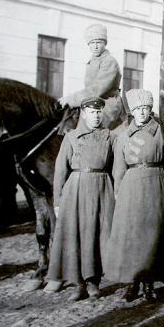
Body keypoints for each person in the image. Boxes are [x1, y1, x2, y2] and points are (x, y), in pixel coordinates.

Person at [104, 89, 164, 302]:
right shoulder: (122, 135)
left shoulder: (162, 131)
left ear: (150, 110)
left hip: (155, 183)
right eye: (138, 109)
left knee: (151, 234)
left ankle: (150, 281)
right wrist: (118, 192)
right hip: (131, 187)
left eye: (145, 108)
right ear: (132, 111)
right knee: (132, 235)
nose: (142, 113)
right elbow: (118, 168)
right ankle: (133, 282)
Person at [44, 96, 115, 301]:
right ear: (84, 114)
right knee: (76, 235)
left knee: (96, 235)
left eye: (99, 112)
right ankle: (78, 284)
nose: (96, 116)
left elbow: (114, 165)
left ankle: (94, 282)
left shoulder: (109, 137)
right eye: (92, 112)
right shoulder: (71, 137)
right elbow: (60, 171)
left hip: (102, 188)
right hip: (76, 189)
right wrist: (57, 201)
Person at [58, 24, 126, 131]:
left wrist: (69, 100)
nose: (95, 46)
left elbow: (96, 90)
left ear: (105, 43)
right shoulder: (92, 61)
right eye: (92, 43)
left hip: (107, 103)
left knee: (92, 129)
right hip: (92, 101)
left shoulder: (109, 61)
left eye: (99, 42)